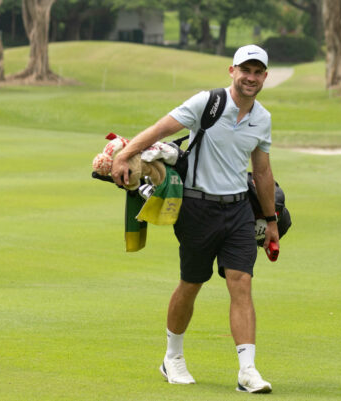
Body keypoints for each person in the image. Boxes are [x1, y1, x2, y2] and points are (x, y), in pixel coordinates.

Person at [111, 44, 279, 393]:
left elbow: (262, 172)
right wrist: (126, 154)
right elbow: (160, 129)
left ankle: (247, 370)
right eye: (244, 70)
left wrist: (270, 217)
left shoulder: (262, 118)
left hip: (237, 211)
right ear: (231, 71)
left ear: (264, 76)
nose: (250, 77)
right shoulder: (208, 102)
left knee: (241, 283)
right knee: (192, 282)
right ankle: (172, 357)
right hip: (197, 209)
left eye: (257, 71)